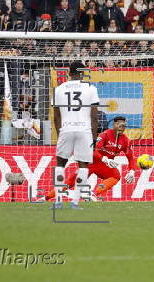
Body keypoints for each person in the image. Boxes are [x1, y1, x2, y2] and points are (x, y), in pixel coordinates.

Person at [45, 116, 137, 202]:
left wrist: (132, 171)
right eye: (119, 125)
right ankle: (46, 197)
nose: (121, 127)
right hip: (90, 162)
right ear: (114, 125)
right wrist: (105, 159)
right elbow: (94, 150)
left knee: (115, 175)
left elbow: (130, 157)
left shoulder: (126, 140)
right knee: (70, 182)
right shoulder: (105, 134)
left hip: (103, 165)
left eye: (123, 126)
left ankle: (94, 194)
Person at [51, 61, 99, 209]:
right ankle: (75, 203)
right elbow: (94, 116)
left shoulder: (58, 89)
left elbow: (56, 115)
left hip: (66, 129)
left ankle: (58, 201)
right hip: (84, 131)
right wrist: (94, 137)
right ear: (83, 73)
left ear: (69, 73)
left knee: (60, 164)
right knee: (83, 165)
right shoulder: (91, 88)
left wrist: (60, 132)